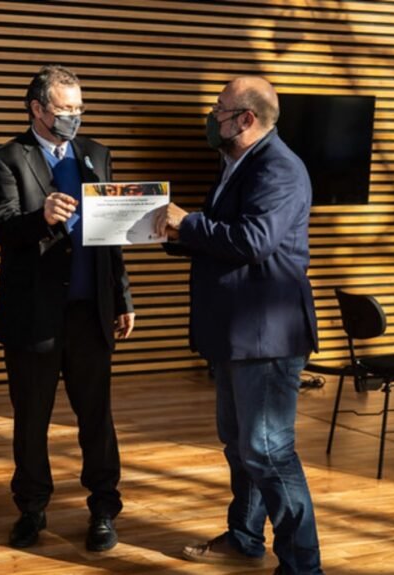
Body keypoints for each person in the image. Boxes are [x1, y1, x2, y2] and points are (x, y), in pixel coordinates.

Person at [156, 76, 322, 575]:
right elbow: (222, 236)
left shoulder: (280, 168)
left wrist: (186, 223)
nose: (213, 115)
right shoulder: (237, 162)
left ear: (246, 119)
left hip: (266, 338)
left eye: (220, 108)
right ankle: (246, 535)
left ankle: (301, 565)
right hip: (236, 334)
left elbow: (253, 241)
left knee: (268, 451)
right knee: (240, 445)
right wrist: (167, 231)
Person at [0, 65, 135, 552]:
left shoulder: (96, 154)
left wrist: (123, 295)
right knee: (32, 418)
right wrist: (40, 217)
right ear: (37, 109)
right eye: (64, 109)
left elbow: (112, 235)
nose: (73, 117)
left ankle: (104, 510)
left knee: (97, 416)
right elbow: (2, 228)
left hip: (92, 310)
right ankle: (31, 508)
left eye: (78, 109)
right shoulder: (6, 158)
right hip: (34, 316)